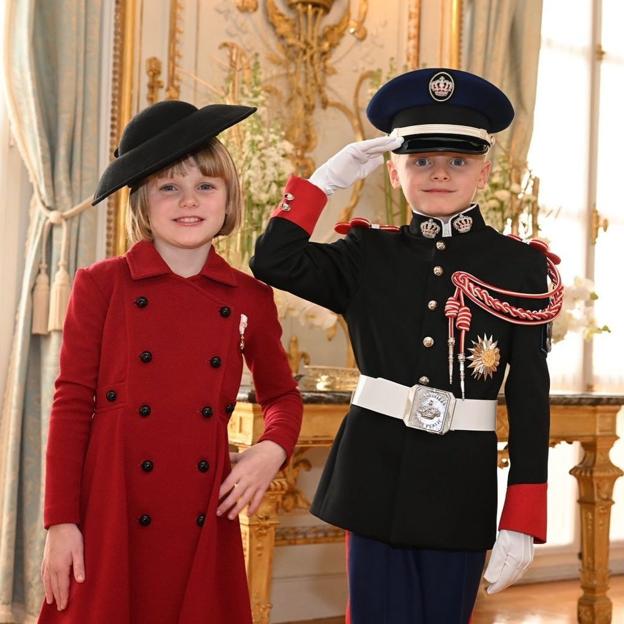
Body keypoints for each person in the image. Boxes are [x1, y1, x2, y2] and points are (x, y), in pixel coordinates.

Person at [250, 68, 562, 623]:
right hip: (373, 477)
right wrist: (326, 180)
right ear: (394, 174)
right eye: (420, 161)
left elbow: (532, 398)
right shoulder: (366, 253)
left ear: (483, 172)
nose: (439, 174)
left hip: (459, 484)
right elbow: (273, 260)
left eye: (457, 162)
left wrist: (523, 513)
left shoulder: (521, 266)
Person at [38, 100, 303, 624]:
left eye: (205, 186)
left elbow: (282, 396)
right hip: (110, 506)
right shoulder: (102, 284)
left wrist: (271, 449)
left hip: (200, 508)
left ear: (228, 200)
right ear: (142, 202)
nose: (189, 201)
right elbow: (70, 407)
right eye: (168, 187)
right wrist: (61, 522)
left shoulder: (249, 296)